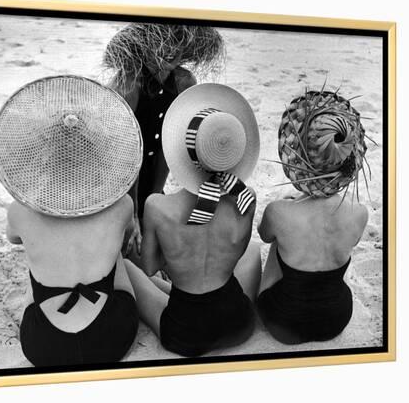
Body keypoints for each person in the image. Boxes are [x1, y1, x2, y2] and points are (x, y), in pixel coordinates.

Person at [0, 76, 143, 366]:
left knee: (36, 260)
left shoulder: (20, 211)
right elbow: (125, 243)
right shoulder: (122, 205)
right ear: (98, 154)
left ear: (42, 154)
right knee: (115, 259)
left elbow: (13, 238)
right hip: (110, 339)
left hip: (44, 346)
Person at [123, 83, 262, 357]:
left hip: (184, 332)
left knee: (128, 268)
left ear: (184, 152)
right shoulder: (246, 198)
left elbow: (151, 266)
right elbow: (237, 254)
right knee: (254, 252)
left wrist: (178, 256)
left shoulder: (157, 206)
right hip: (238, 323)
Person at [256, 89, 370, 344]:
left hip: (282, 322)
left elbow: (264, 236)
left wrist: (291, 206)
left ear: (297, 155)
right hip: (337, 318)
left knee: (279, 237)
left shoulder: (277, 212)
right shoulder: (360, 213)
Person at [103, 23, 226, 258]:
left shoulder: (184, 81)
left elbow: (168, 144)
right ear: (144, 44)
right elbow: (125, 153)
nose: (170, 49)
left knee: (151, 214)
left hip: (153, 158)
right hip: (119, 167)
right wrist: (133, 214)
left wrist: (154, 199)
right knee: (126, 237)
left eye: (178, 41)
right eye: (162, 41)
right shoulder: (129, 84)